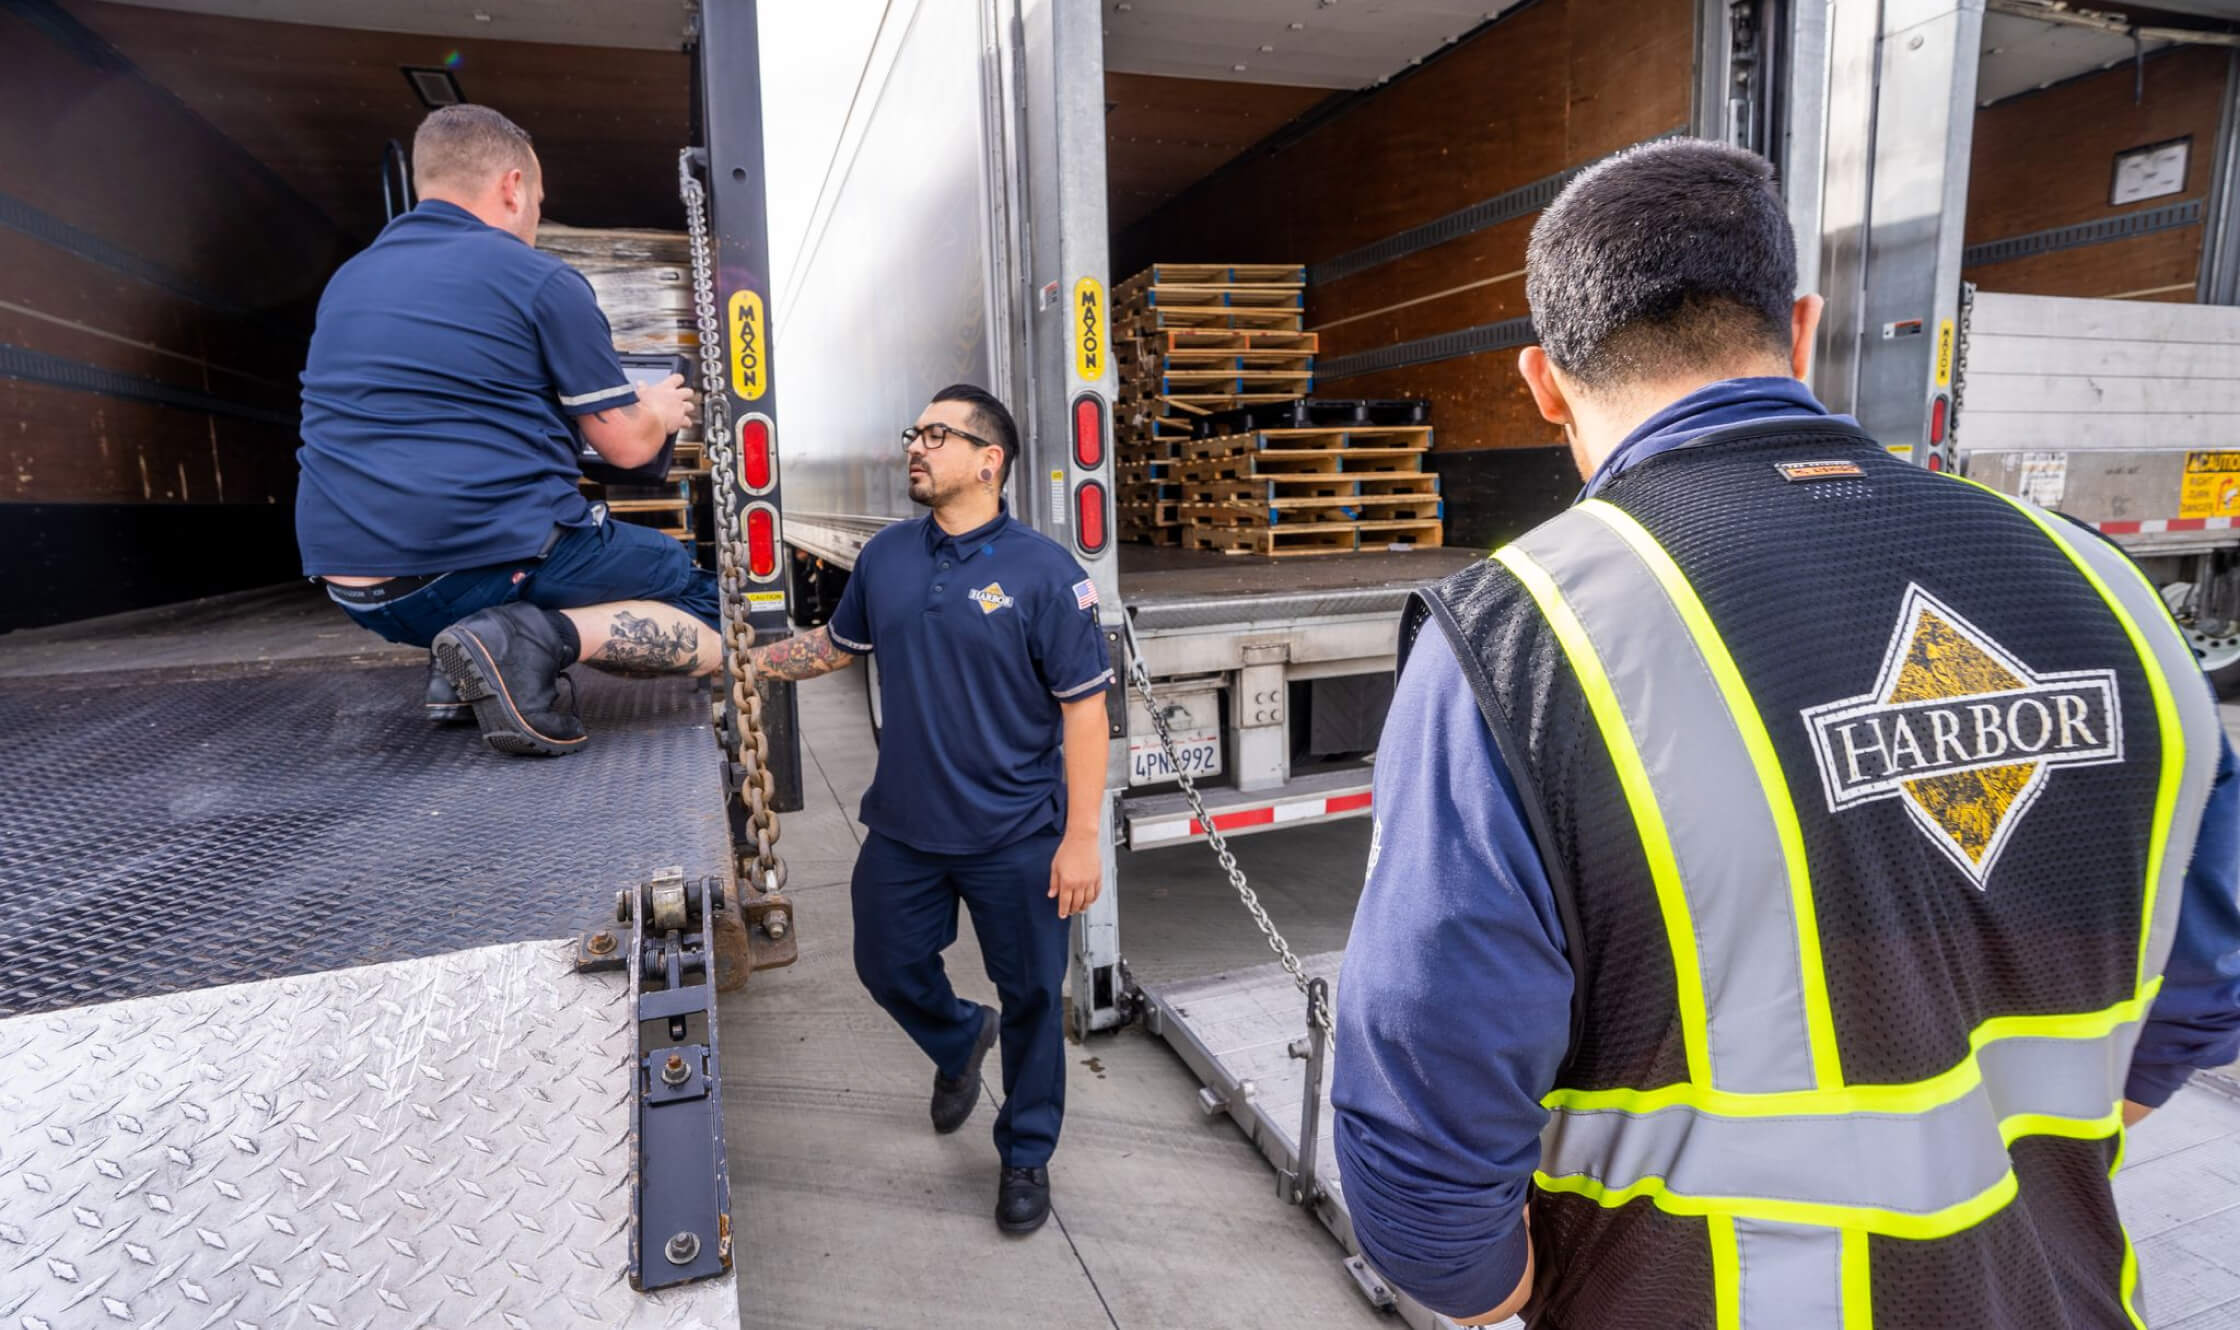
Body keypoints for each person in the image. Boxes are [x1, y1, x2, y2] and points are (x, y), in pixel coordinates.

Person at [1332, 137, 2240, 1329]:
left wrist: (1515, 1294)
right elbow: (2204, 977)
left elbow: (1423, 1146)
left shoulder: (1525, 636)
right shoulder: (2106, 587)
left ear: (1541, 384)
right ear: (1800, 328)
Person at [745, 384, 1113, 1235]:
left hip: (1016, 835)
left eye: (938, 435)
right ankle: (958, 1042)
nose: (916, 445)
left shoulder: (1046, 574)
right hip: (905, 827)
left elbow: (1085, 710)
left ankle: (1025, 1154)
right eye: (914, 431)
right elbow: (836, 647)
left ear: (990, 460)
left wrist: (1082, 837)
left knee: (1029, 1000)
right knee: (886, 967)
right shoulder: (885, 558)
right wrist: (752, 661)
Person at [295, 104, 713, 757]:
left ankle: (455, 671)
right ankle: (518, 642)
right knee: (685, 584)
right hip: (465, 570)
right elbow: (627, 447)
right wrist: (656, 408)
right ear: (513, 187)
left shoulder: (350, 280)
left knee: (484, 524)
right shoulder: (538, 279)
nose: (536, 224)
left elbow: (437, 412)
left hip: (356, 587)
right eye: (538, 205)